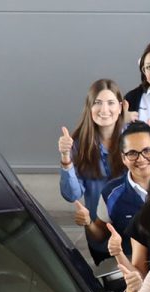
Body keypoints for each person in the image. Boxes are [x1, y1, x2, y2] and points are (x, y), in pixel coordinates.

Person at [95, 121, 150, 266]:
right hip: (133, 272)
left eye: (147, 151)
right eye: (132, 153)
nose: (141, 158)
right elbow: (99, 235)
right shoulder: (110, 194)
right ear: (123, 158)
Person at [58, 79, 126, 215]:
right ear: (89, 107)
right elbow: (72, 195)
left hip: (131, 226)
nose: (104, 109)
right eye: (97, 103)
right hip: (97, 227)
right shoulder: (78, 144)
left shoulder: (134, 138)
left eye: (111, 103)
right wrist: (66, 157)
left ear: (120, 108)